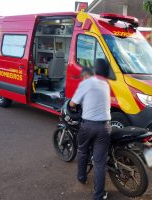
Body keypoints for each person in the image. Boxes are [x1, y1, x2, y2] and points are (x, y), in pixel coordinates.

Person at [69, 63, 111, 200]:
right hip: (105, 127)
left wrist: (75, 101)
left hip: (88, 126)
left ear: (86, 75)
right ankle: (99, 196)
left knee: (82, 151)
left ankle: (82, 177)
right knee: (100, 163)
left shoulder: (86, 83)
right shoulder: (105, 84)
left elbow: (72, 104)